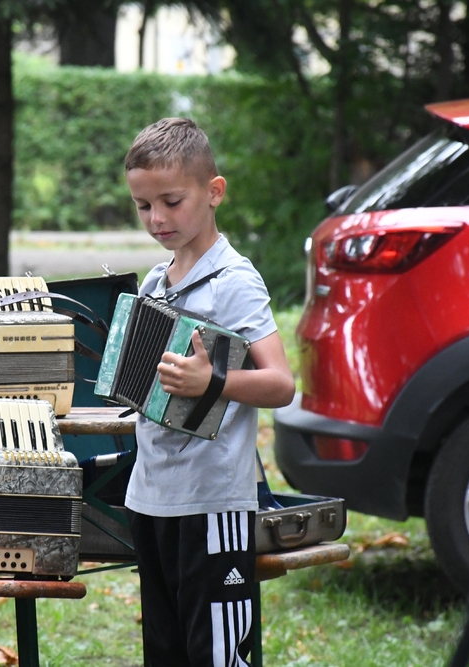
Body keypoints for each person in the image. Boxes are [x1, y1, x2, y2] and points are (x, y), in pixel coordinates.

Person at [123, 117, 296, 667]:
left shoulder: (235, 281)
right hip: (151, 498)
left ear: (213, 191)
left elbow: (281, 384)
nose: (157, 219)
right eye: (143, 206)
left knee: (218, 655)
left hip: (211, 502)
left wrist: (213, 380)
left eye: (171, 202)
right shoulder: (156, 281)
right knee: (167, 653)